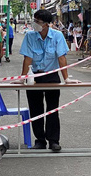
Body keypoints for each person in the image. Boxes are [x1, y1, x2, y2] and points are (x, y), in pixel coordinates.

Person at [18, 10, 80, 151]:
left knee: (52, 109)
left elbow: (61, 58)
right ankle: (40, 140)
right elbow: (27, 59)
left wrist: (66, 78)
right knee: (36, 109)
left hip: (51, 76)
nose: (35, 24)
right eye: (35, 21)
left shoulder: (57, 36)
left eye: (38, 22)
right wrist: (22, 78)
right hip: (34, 76)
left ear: (46, 24)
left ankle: (53, 141)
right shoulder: (30, 36)